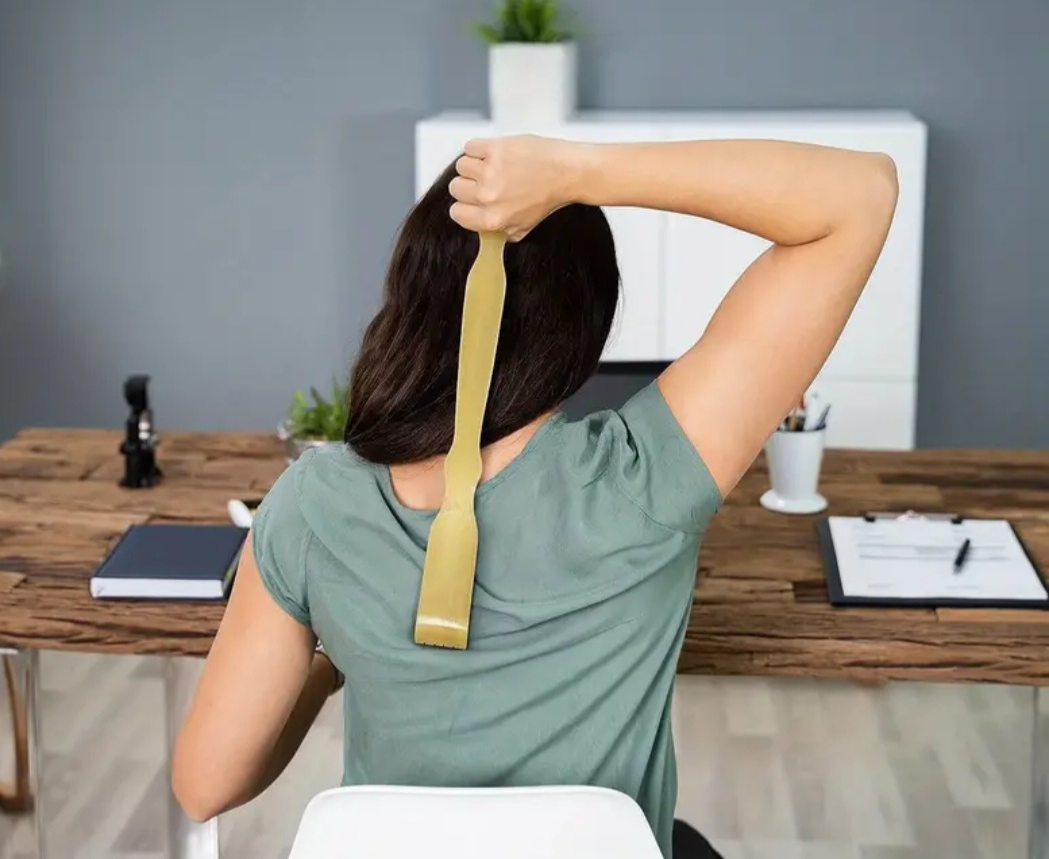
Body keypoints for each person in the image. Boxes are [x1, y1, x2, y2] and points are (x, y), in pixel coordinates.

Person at [172, 135, 898, 859]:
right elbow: (860, 195)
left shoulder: (311, 502)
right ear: (584, 320)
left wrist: (332, 663)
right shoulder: (645, 477)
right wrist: (580, 172)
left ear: (413, 292)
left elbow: (205, 786)